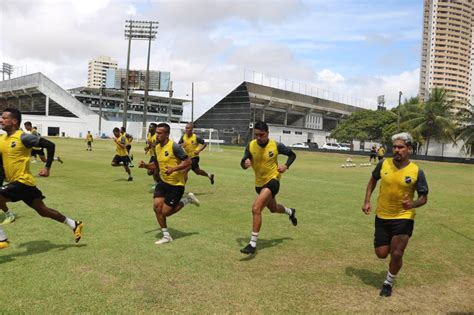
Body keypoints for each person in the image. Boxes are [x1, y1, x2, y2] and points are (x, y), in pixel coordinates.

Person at [0, 108, 84, 249]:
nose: (1, 120)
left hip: (23, 182)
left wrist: (47, 167)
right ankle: (74, 224)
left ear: (14, 121)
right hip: (22, 184)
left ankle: (2, 239)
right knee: (43, 211)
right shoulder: (3, 139)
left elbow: (50, 145)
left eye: (4, 117)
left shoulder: (24, 137)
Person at [362, 132, 429, 297]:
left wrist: (412, 204)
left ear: (409, 149)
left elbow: (423, 197)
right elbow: (372, 181)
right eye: (395, 147)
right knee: (381, 253)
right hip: (382, 215)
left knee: (397, 253)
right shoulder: (383, 164)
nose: (397, 150)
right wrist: (367, 201)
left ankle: (388, 282)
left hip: (404, 216)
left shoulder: (416, 171)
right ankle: (393, 257)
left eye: (401, 147)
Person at [239, 121, 297, 255]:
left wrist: (286, 166)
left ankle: (252, 244)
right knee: (273, 209)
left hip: (273, 180)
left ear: (267, 133)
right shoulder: (251, 145)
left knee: (256, 208)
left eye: (261, 135)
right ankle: (290, 212)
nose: (258, 138)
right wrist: (244, 163)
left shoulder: (276, 145)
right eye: (256, 135)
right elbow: (243, 162)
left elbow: (292, 154)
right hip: (259, 184)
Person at [138, 123, 200, 245]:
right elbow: (156, 165)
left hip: (176, 185)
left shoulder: (175, 147)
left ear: (167, 134)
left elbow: (188, 162)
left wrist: (173, 169)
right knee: (157, 208)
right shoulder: (156, 147)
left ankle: (187, 200)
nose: (157, 135)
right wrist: (145, 166)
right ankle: (166, 236)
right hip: (163, 182)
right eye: (156, 132)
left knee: (165, 212)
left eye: (160, 133)